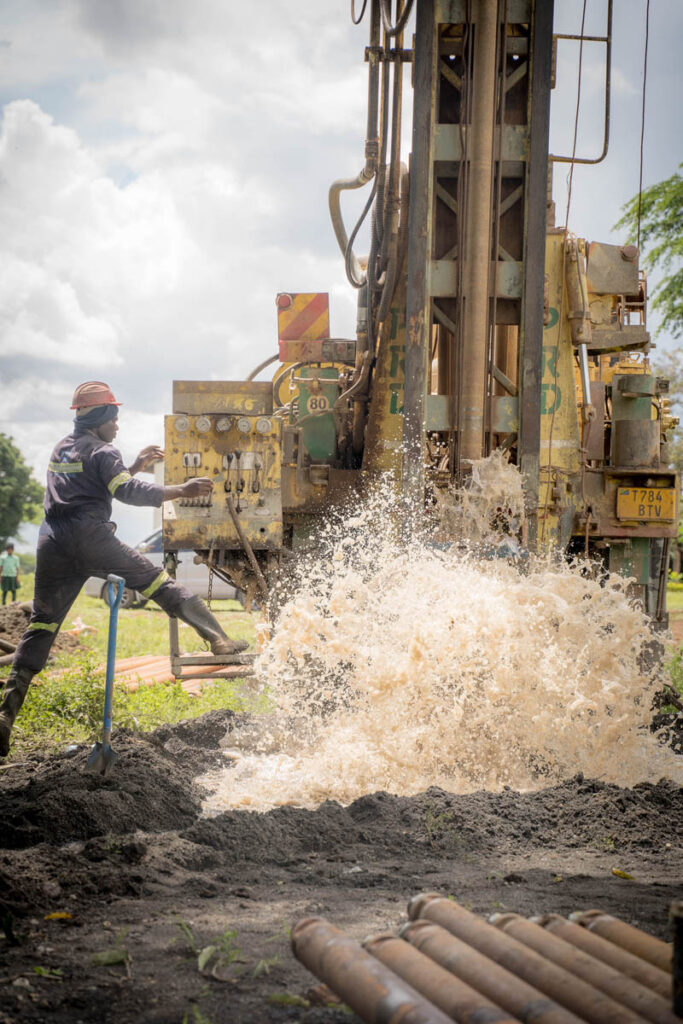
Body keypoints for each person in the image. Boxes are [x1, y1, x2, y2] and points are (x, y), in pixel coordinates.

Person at [0, 381, 247, 757]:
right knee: (160, 585)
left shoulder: (62, 448)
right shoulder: (104, 450)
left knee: (42, 625)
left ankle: (4, 719)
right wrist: (183, 489)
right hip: (91, 537)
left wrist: (134, 467)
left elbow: (96, 485)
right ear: (99, 419)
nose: (118, 426)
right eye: (114, 419)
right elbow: (127, 492)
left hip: (52, 543)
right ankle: (219, 640)